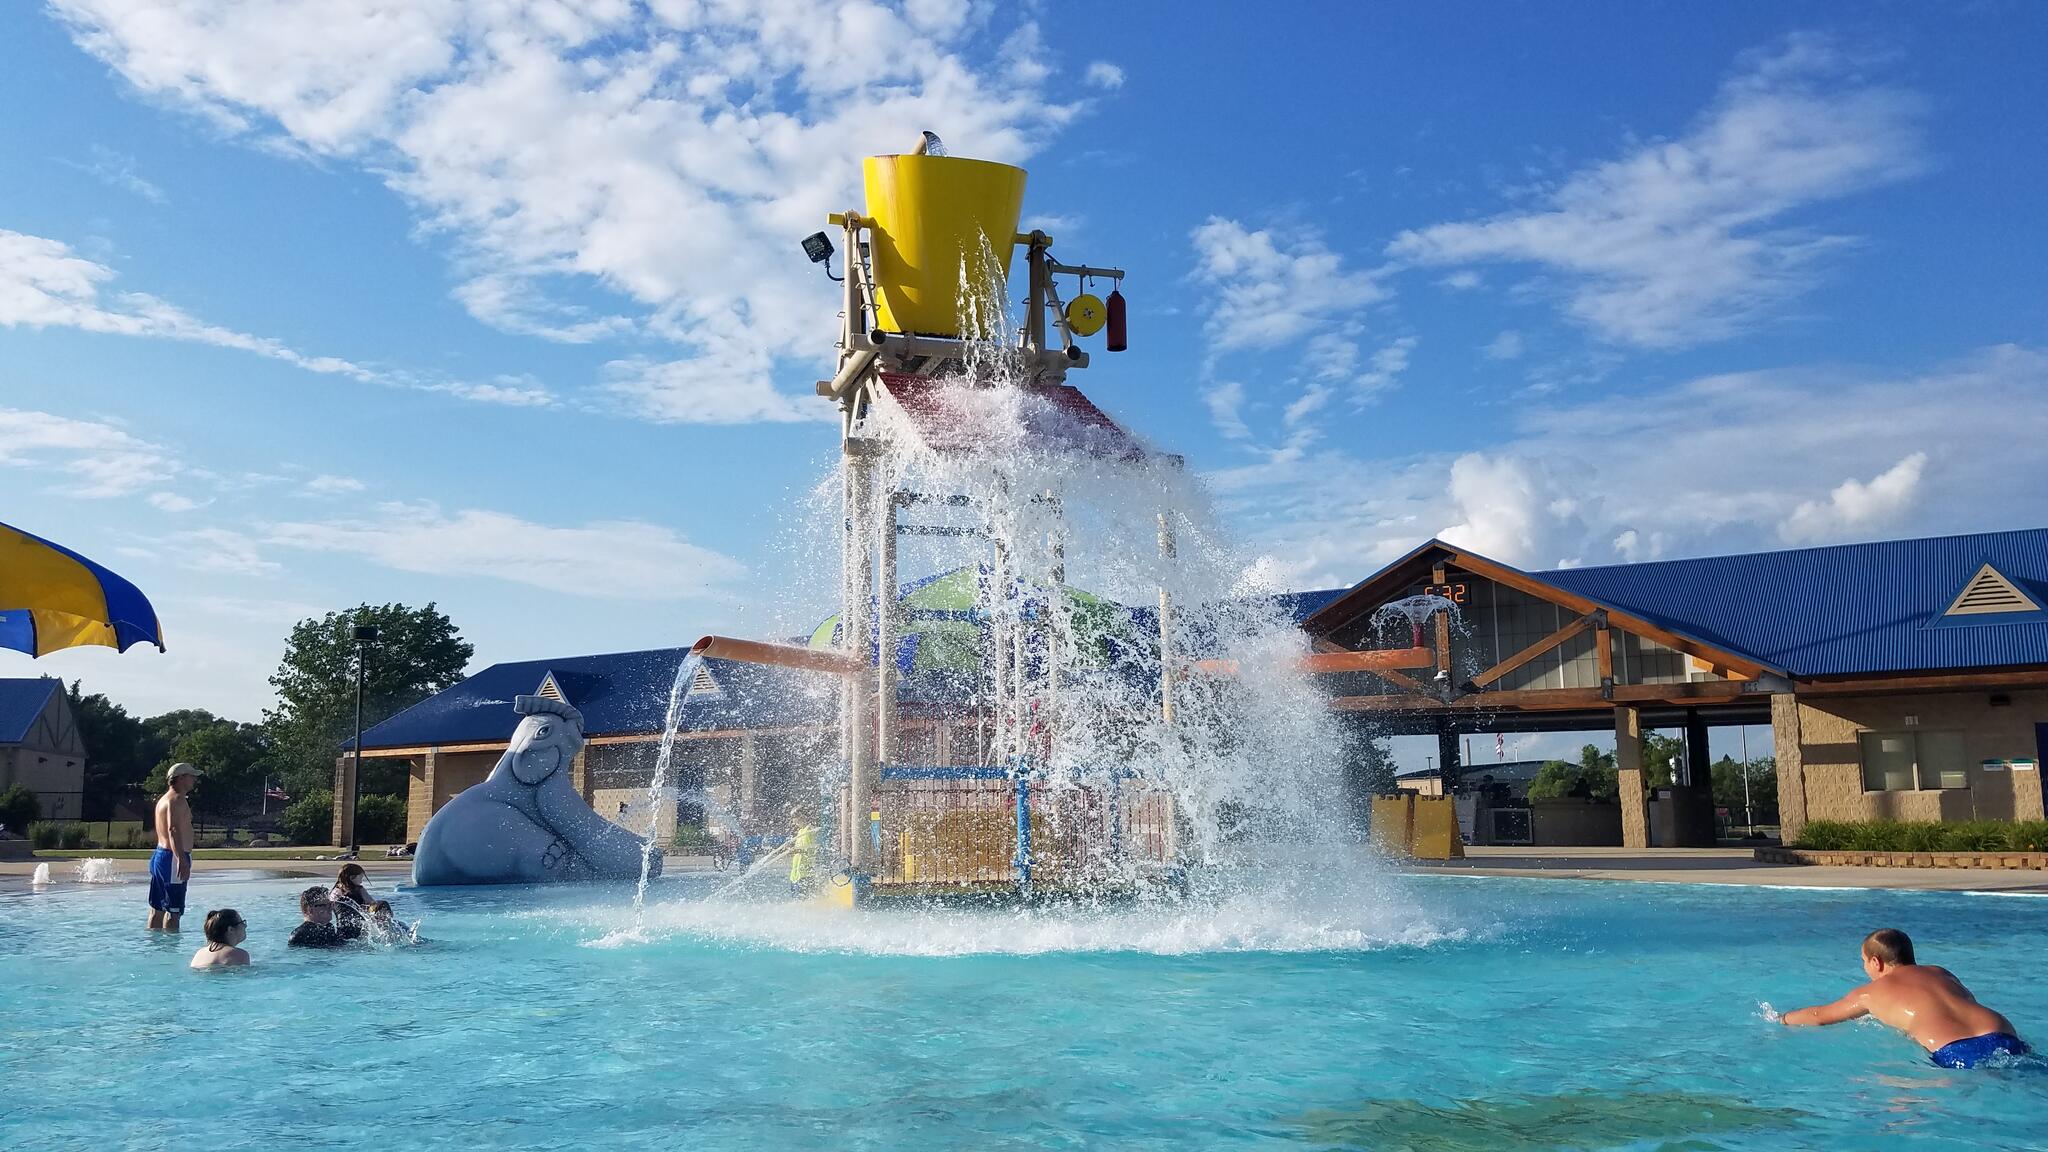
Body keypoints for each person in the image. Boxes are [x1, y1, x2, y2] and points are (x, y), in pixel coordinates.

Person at [1781, 928, 2030, 1067]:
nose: (1864, 967)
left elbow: (1820, 1017)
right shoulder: (1940, 972)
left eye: (1863, 961)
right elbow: (1967, 999)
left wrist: (1782, 1019)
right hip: (2002, 1031)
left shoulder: (1869, 993)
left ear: (1875, 962)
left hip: (1954, 1049)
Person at [148, 762, 199, 932]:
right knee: (173, 911)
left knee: (158, 908)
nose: (194, 780)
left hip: (161, 855)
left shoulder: (164, 799)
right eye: (192, 776)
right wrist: (181, 860)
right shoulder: (177, 799)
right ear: (181, 778)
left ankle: (154, 947)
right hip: (172, 857)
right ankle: (170, 954)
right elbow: (173, 829)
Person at [287, 885, 362, 948]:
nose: (330, 908)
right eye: (324, 905)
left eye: (330, 904)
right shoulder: (300, 934)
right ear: (310, 910)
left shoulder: (327, 928)